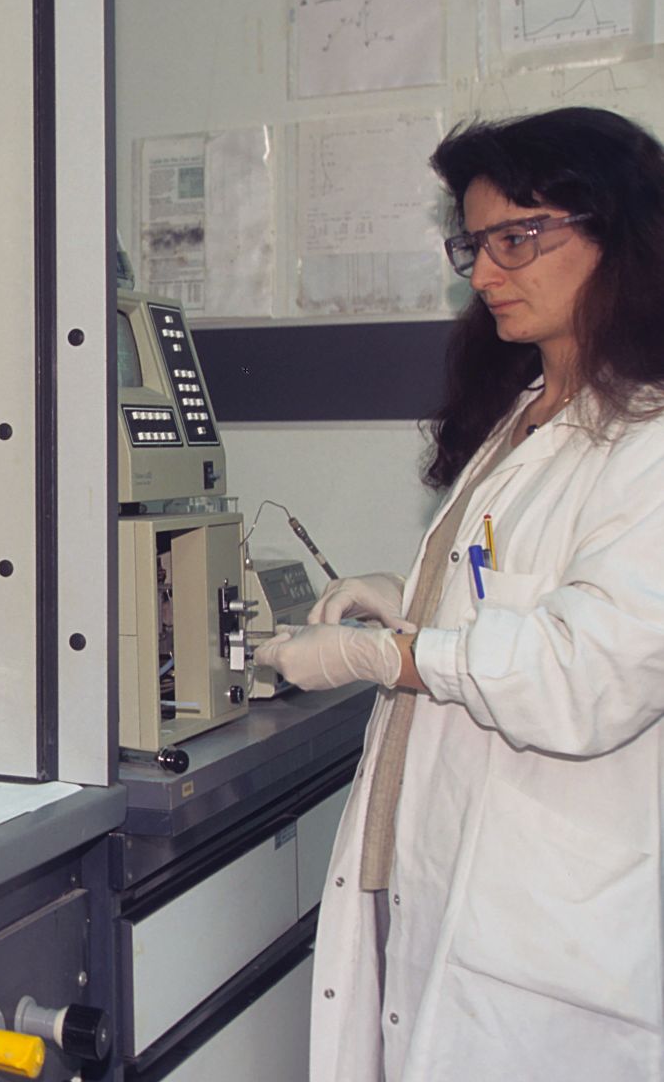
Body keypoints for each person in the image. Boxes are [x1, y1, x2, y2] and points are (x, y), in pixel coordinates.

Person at [256, 106, 664, 1081]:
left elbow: (585, 676)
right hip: (448, 885)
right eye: (474, 246)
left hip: (551, 934)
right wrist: (411, 595)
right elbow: (505, 588)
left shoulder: (651, 442)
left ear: (621, 234)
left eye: (516, 239)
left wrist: (385, 655)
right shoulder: (529, 414)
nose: (483, 275)